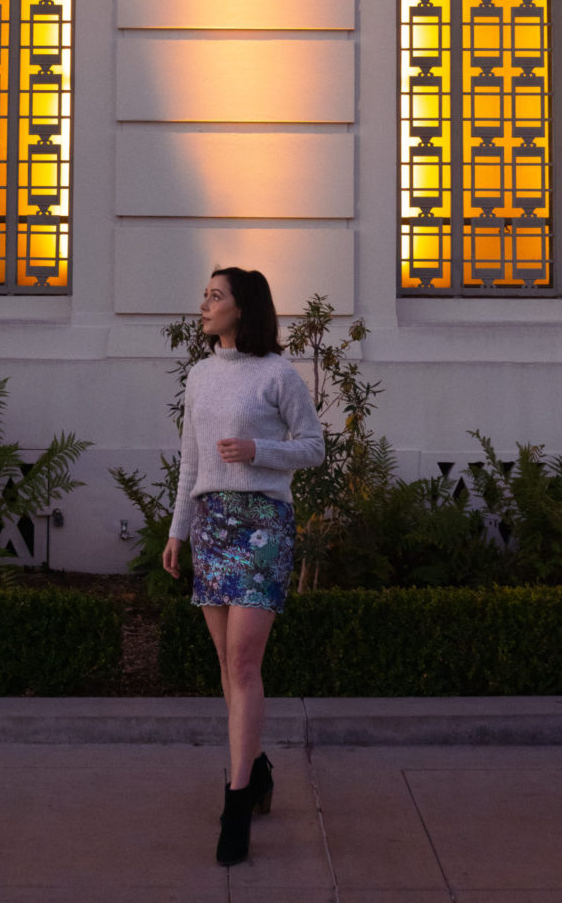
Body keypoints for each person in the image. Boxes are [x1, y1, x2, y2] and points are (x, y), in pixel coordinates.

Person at [162, 267, 325, 867]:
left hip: (262, 526)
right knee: (226, 669)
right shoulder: (200, 375)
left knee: (243, 660)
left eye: (215, 295)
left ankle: (235, 806)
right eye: (204, 294)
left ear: (243, 307)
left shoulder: (278, 374)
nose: (203, 304)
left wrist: (260, 451)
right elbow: (190, 460)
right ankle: (254, 770)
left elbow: (313, 445)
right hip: (211, 525)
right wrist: (178, 529)